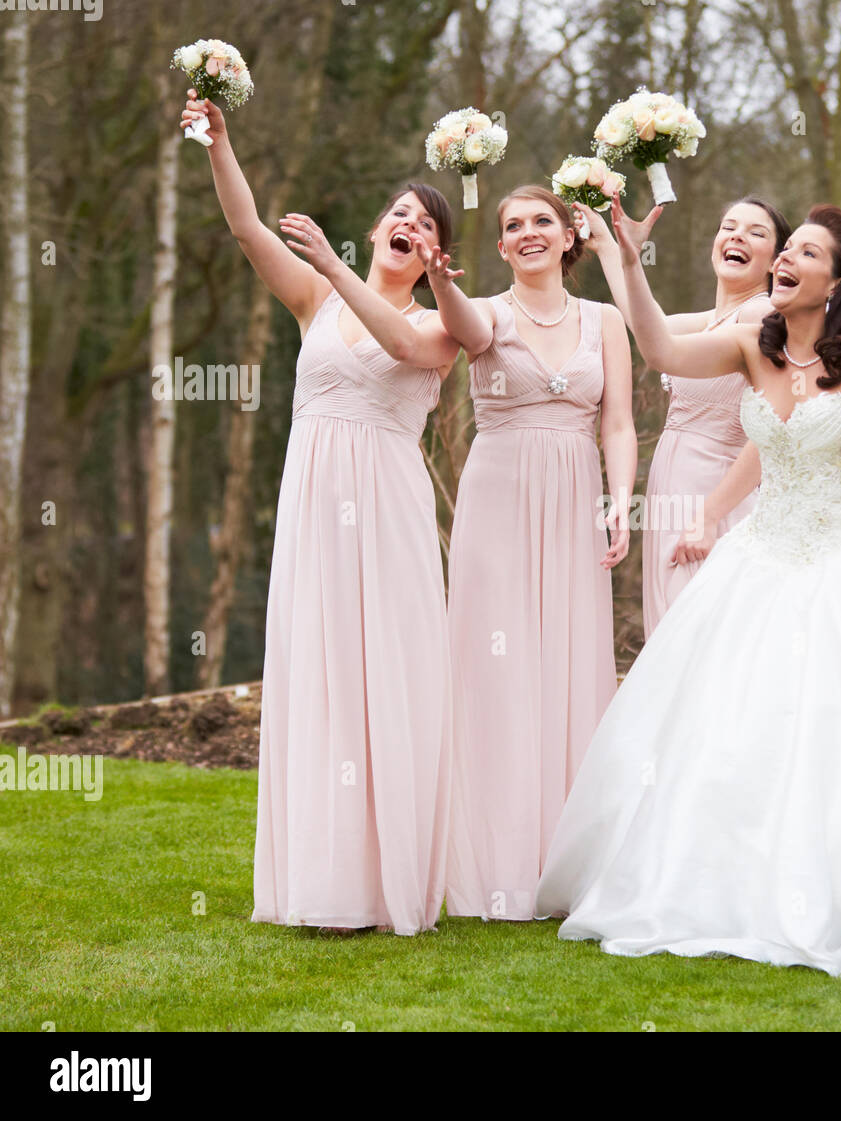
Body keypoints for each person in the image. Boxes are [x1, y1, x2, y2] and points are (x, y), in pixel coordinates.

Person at [534, 198, 841, 976]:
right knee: (722, 725)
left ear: (835, 282)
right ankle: (711, 884)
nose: (786, 258)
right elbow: (660, 350)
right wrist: (628, 257)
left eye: (806, 253)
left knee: (838, 726)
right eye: (785, 248)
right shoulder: (751, 347)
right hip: (759, 557)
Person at [178, 92, 462, 934]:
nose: (408, 224)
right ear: (379, 230)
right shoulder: (315, 301)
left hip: (388, 509)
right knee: (322, 671)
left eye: (426, 223)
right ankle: (324, 880)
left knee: (387, 675)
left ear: (435, 251)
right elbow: (246, 229)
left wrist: (339, 269)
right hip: (313, 501)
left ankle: (386, 883)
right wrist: (218, 145)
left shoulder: (441, 321)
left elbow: (405, 351)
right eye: (398, 214)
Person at [425, 185, 636, 920]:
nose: (527, 232)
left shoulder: (606, 321)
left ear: (567, 235)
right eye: (513, 226)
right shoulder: (483, 309)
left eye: (541, 220)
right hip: (499, 497)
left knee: (571, 663)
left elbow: (618, 423)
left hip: (576, 492)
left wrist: (620, 500)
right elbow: (463, 331)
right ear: (504, 246)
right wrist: (440, 283)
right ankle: (495, 859)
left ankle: (567, 857)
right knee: (498, 666)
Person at [577, 196, 791, 636]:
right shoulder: (713, 320)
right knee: (674, 636)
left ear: (775, 260)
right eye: (729, 225)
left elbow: (776, 429)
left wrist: (711, 516)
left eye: (756, 232)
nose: (737, 235)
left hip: (717, 502)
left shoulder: (761, 314)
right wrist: (615, 251)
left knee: (701, 638)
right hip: (675, 497)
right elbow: (646, 328)